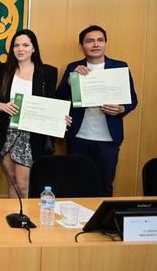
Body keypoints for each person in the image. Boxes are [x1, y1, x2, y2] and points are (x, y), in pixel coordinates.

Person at [56, 25, 138, 196]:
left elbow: (132, 100)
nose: (95, 44)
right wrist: (72, 80)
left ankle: (102, 223)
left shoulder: (119, 66)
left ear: (105, 43)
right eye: (90, 41)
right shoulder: (74, 67)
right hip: (78, 137)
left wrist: (121, 108)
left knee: (105, 185)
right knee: (76, 184)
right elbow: (59, 96)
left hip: (108, 139)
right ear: (82, 45)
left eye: (100, 40)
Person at [0, 29, 58, 198]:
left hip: (31, 135)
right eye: (16, 45)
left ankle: (25, 219)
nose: (20, 49)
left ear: (34, 48)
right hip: (7, 131)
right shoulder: (4, 71)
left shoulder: (47, 73)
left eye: (25, 45)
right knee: (12, 182)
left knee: (24, 185)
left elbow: (52, 103)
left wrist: (60, 117)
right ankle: (13, 219)